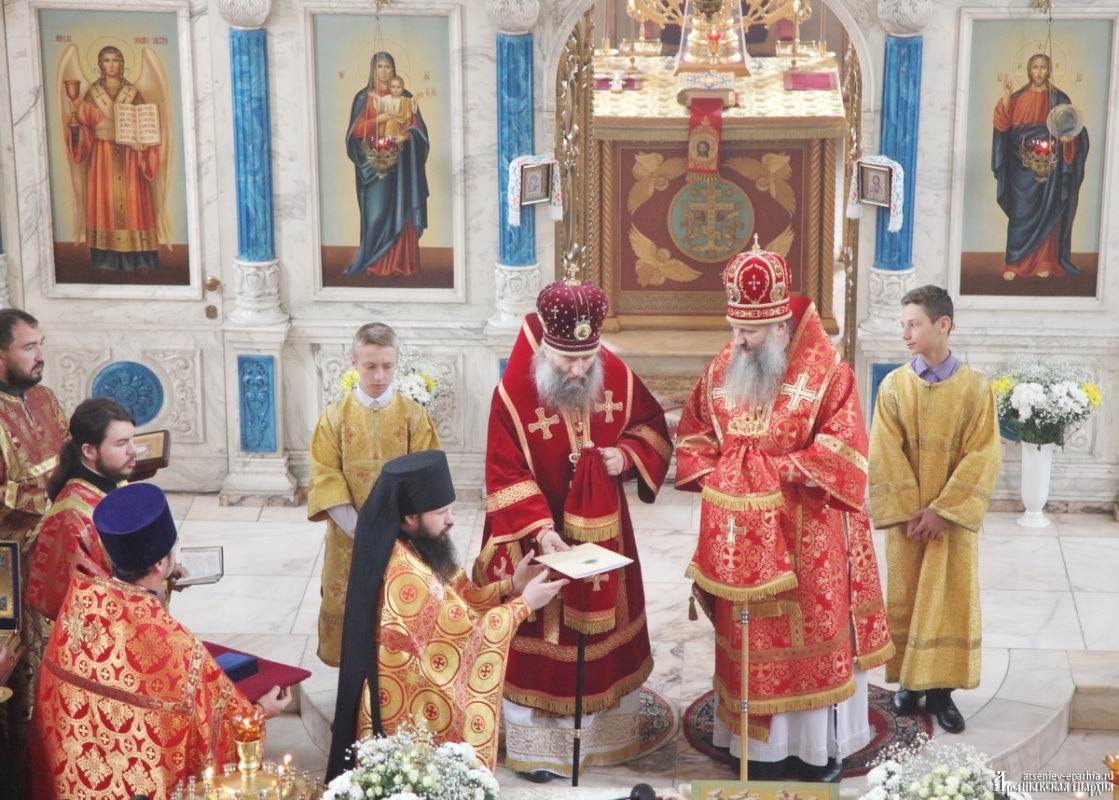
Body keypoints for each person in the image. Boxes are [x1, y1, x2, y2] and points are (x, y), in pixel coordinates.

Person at [674, 240, 893, 782]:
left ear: (778, 327)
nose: (737, 341)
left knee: (808, 640)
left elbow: (845, 451)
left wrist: (775, 471)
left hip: (809, 535)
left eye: (749, 331)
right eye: (734, 327)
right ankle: (753, 745)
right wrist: (720, 477)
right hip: (743, 544)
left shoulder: (827, 373)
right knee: (749, 639)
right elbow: (695, 436)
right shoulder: (725, 365)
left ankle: (817, 750)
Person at [473, 278, 673, 782]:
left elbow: (651, 427)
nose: (580, 369)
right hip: (538, 535)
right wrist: (542, 531)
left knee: (603, 632)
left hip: (605, 535)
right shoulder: (513, 396)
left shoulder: (614, 374)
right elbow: (503, 472)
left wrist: (625, 455)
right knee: (545, 631)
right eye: (569, 359)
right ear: (547, 347)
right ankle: (538, 747)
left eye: (587, 358)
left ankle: (605, 733)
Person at [27, 482, 291, 800]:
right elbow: (220, 732)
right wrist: (262, 711)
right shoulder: (177, 648)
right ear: (159, 564)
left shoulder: (79, 604)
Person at [326, 450, 567, 778]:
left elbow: (458, 596)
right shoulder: (405, 570)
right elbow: (465, 635)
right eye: (441, 512)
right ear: (411, 517)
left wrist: (511, 585)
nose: (451, 520)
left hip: (412, 687)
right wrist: (525, 604)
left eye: (450, 509)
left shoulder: (413, 542)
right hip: (402, 707)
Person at [868, 285, 1002, 734]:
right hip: (909, 523)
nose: (905, 333)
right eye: (903, 324)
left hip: (950, 523)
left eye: (914, 324)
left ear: (943, 324)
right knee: (907, 595)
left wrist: (942, 511)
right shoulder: (893, 386)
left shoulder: (975, 389)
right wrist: (914, 512)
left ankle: (942, 692)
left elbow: (984, 453)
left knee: (948, 598)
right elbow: (884, 451)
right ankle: (909, 684)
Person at [308, 322, 440, 666]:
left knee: (399, 611)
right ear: (353, 361)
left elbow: (426, 477)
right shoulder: (334, 418)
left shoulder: (414, 416)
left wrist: (399, 526)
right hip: (348, 537)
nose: (379, 376)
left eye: (387, 366)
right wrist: (360, 528)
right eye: (370, 366)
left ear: (397, 362)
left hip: (402, 538)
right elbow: (325, 476)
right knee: (350, 610)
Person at [0, 308, 68, 786]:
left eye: (41, 343)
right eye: (29, 347)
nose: (41, 355)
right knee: (17, 671)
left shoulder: (43, 397)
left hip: (53, 555)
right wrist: (56, 498)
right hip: (8, 569)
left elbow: (68, 456)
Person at [25, 398, 137, 622]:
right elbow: (91, 602)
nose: (133, 451)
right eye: (121, 443)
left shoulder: (116, 483)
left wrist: (165, 569)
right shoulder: (72, 517)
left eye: (133, 440)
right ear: (90, 451)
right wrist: (152, 588)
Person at [66, 46, 163, 273]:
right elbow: (84, 129)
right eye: (107, 60)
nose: (111, 65)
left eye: (116, 60)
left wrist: (142, 142)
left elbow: (145, 123)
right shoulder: (93, 93)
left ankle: (139, 259)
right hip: (103, 158)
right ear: (100, 64)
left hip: (130, 156)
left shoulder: (132, 92)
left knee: (133, 204)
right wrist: (75, 128)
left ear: (122, 64)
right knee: (105, 203)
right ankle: (106, 259)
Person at [992, 52, 1089, 281]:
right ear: (1028, 70)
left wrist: (1068, 139)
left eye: (1043, 67)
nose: (1039, 72)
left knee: (1048, 211)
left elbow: (1073, 127)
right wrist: (1006, 98)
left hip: (1051, 165)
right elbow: (1003, 125)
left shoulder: (1059, 99)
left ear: (1050, 71)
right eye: (1035, 67)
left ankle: (1044, 261)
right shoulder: (1016, 98)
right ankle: (1014, 263)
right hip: (1020, 166)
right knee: (1020, 213)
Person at [343, 51, 430, 277]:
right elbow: (355, 133)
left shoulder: (405, 96)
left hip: (401, 167)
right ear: (373, 70)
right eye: (379, 67)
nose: (384, 71)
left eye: (388, 67)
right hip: (373, 165)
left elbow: (417, 129)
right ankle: (370, 263)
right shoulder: (364, 98)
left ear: (394, 69)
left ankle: (400, 265)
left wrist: (406, 136)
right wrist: (377, 121)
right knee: (376, 215)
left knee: (402, 210)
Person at [376, 75, 416, 140]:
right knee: (390, 122)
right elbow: (379, 107)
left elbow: (411, 110)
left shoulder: (406, 100)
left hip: (402, 126)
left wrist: (415, 100)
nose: (396, 90)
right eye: (393, 87)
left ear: (402, 88)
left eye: (398, 87)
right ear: (389, 88)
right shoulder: (386, 99)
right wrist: (377, 99)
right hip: (389, 127)